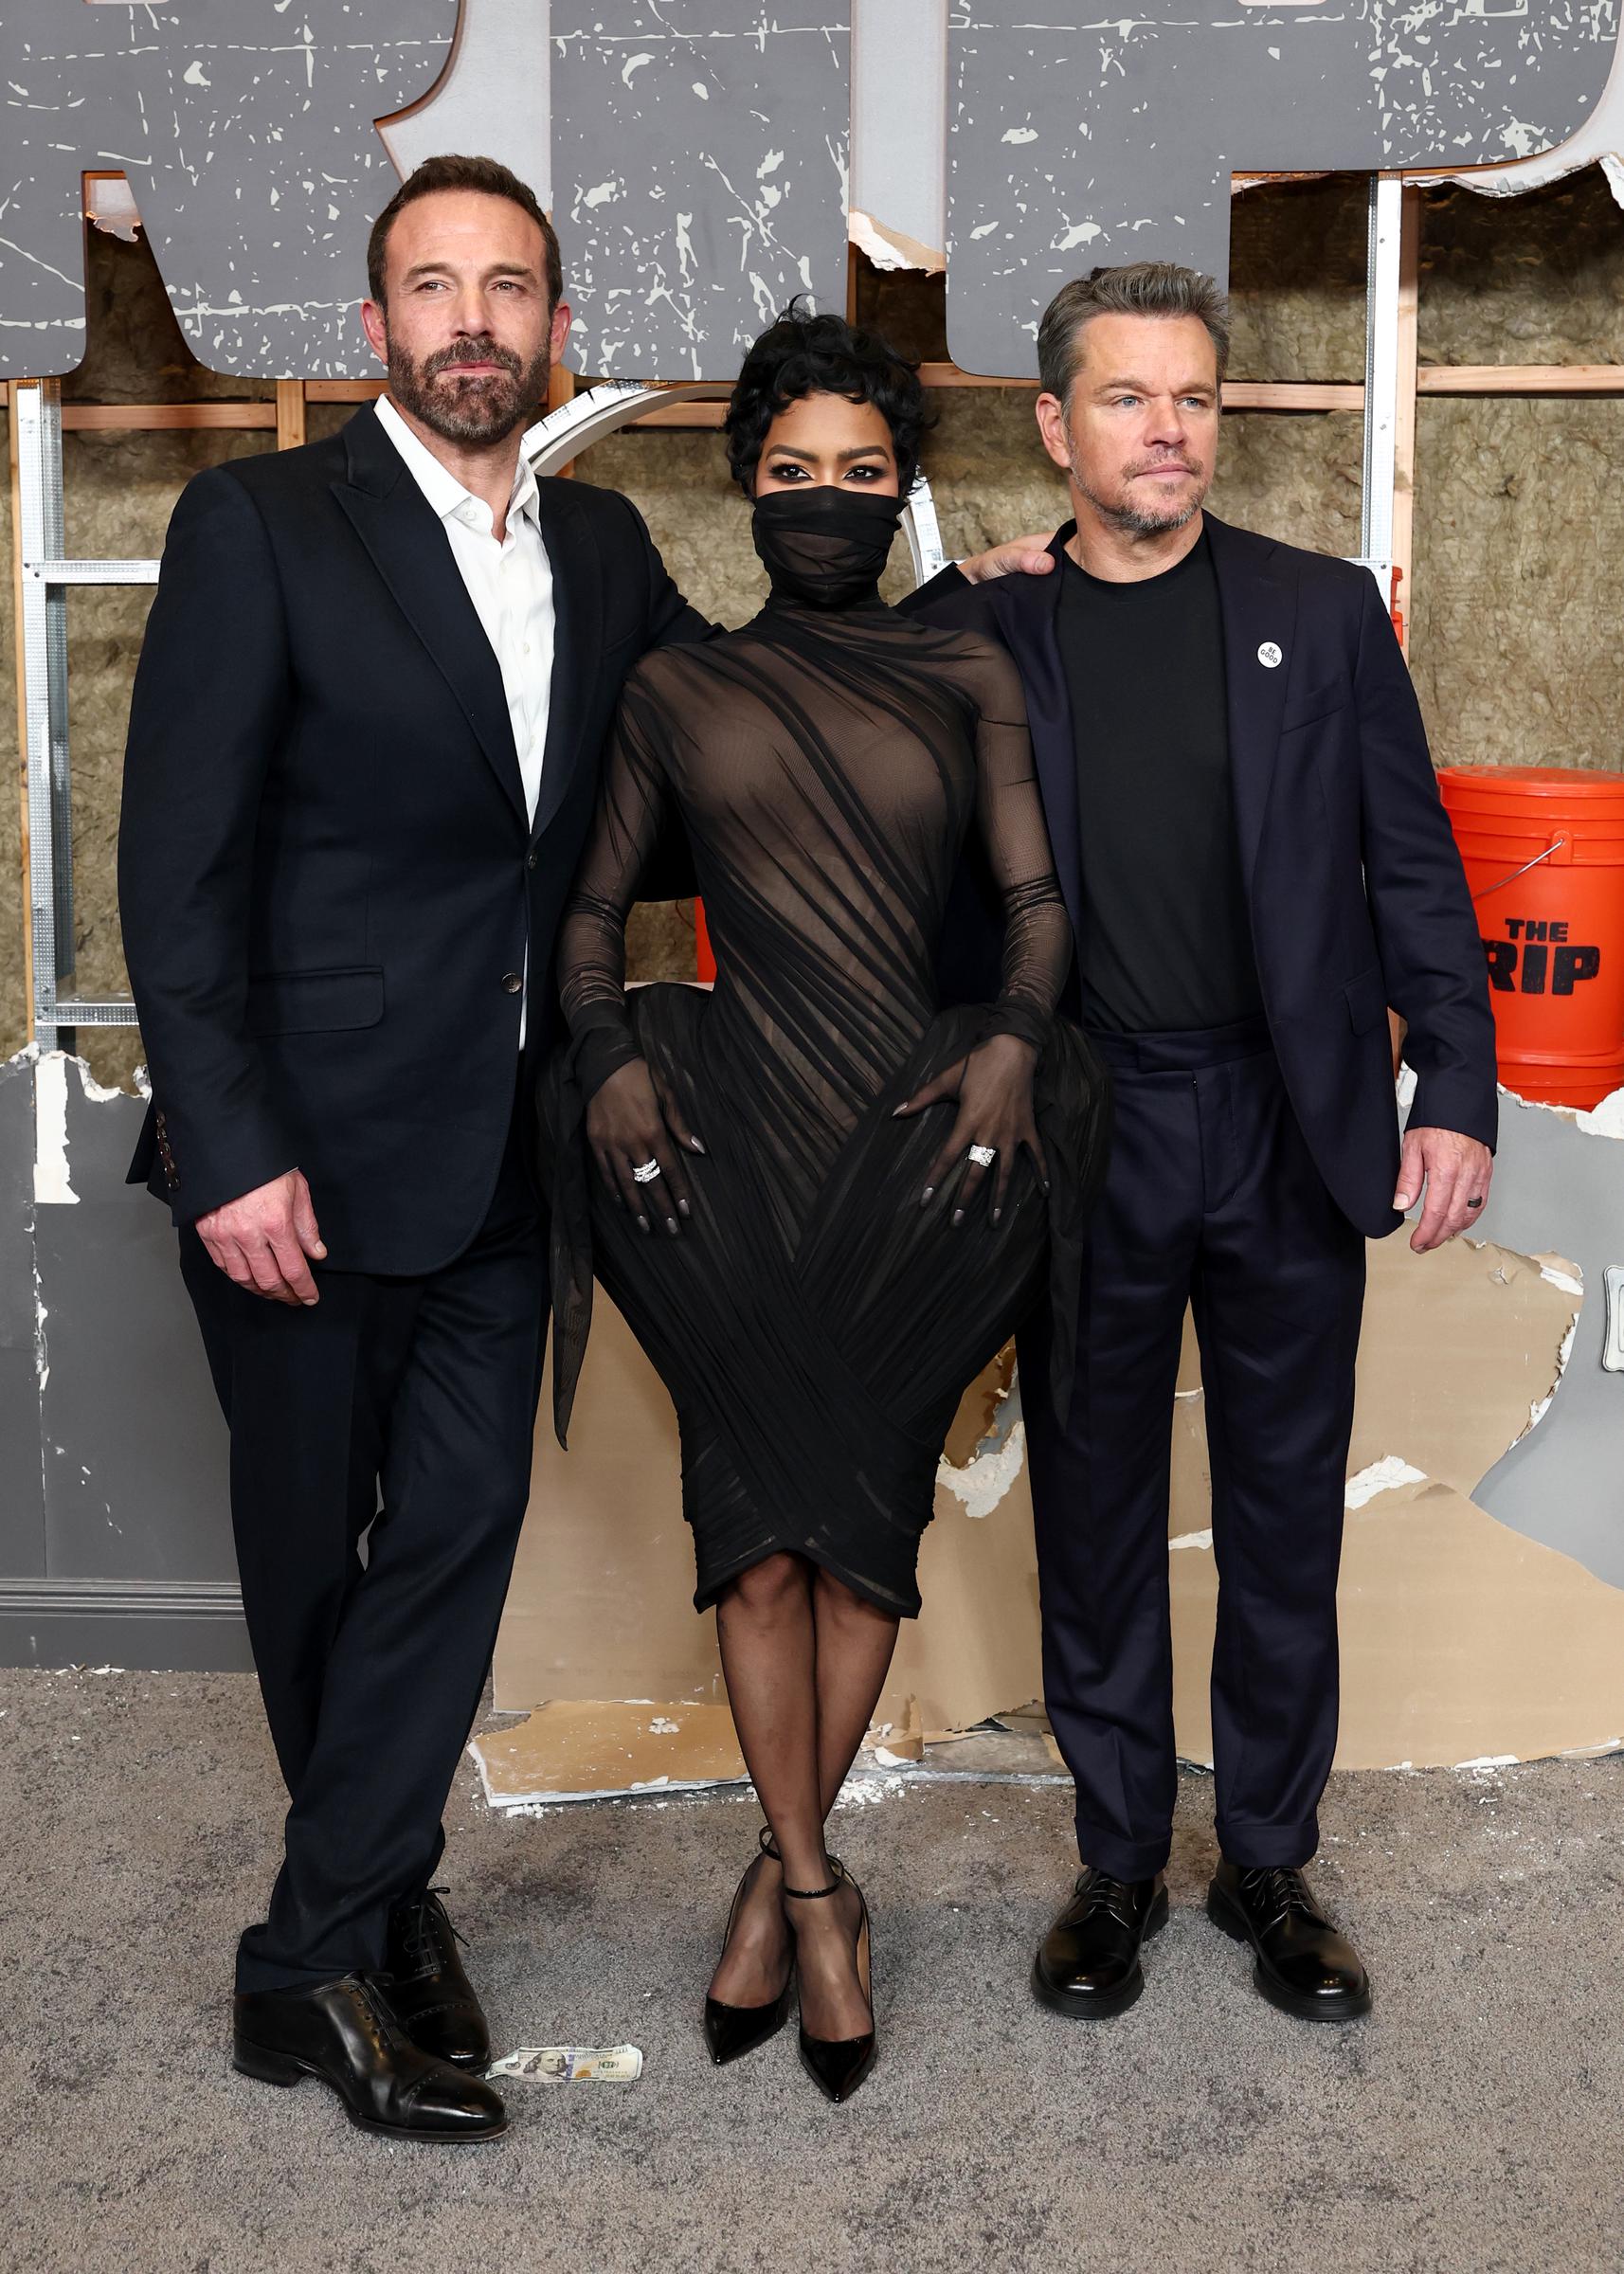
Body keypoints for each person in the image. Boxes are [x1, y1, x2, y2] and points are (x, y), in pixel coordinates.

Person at [117, 153, 1051, 2141]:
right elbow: (173, 872)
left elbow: (770, 701)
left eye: (509, 287)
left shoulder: (610, 552)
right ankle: (345, 1929)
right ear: (376, 328)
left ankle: (333, 1932)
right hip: (301, 1160)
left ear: (553, 325)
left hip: (507, 1164)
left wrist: (995, 606)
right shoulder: (259, 523)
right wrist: (226, 1145)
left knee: (444, 1560)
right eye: (434, 287)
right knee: (313, 1569)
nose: (474, 321)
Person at [914, 262, 1497, 2025]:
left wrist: (1452, 1091)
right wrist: (948, 586)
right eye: (1123, 399)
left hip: (1282, 1118)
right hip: (1083, 1120)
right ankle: (1111, 1865)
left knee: (1274, 1516)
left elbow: (1412, 863)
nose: (1163, 430)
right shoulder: (982, 627)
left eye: (1190, 400)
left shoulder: (1322, 616)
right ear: (1053, 427)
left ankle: (1264, 1857)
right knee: (1089, 1511)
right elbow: (806, 721)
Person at [543, 307, 1110, 2103]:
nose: (825, 501)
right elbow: (587, 916)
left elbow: (1034, 903)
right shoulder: (673, 688)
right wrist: (608, 1052)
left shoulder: (965, 672)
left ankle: (779, 1882)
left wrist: (1021, 1035)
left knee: (856, 1520)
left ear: (903, 492)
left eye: (861, 476)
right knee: (753, 1526)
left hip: (916, 1133)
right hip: (721, 1139)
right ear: (745, 492)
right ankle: (815, 1888)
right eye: (792, 474)